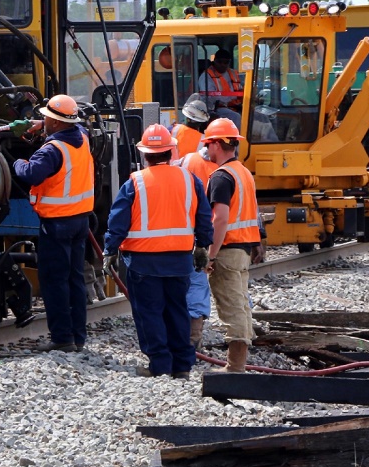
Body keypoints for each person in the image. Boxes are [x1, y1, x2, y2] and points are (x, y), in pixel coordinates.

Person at [104, 124, 213, 378]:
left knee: (150, 313)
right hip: (179, 260)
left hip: (144, 262)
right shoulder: (190, 180)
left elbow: (118, 221)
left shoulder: (135, 182)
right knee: (177, 310)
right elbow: (204, 217)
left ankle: (160, 366)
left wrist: (109, 249)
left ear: (145, 154)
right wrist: (202, 246)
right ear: (170, 151)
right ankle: (182, 366)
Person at [13, 94, 94, 353]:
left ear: (57, 123)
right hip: (80, 221)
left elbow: (31, 173)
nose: (44, 120)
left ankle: (62, 338)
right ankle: (77, 336)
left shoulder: (51, 150)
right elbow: (76, 125)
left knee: (55, 281)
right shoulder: (81, 138)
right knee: (74, 279)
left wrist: (16, 161)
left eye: (47, 117)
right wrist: (41, 125)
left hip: (57, 224)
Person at [201, 118, 259, 373]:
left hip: (228, 250)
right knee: (241, 303)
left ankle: (235, 367)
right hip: (243, 249)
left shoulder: (221, 177)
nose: (207, 150)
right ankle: (238, 362)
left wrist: (210, 255)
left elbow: (221, 219)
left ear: (216, 144)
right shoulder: (243, 172)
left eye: (208, 144)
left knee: (231, 306)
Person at [175, 140, 219, 350]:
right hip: (203, 233)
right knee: (197, 285)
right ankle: (193, 338)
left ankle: (182, 338)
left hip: (178, 234)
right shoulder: (229, 168)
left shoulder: (185, 162)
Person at [197, 49, 243, 124]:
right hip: (216, 108)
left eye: (226, 62)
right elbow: (210, 98)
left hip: (235, 106)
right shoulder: (207, 76)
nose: (223, 65)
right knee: (236, 117)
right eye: (220, 62)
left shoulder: (233, 73)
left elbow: (241, 89)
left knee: (256, 115)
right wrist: (227, 103)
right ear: (214, 61)